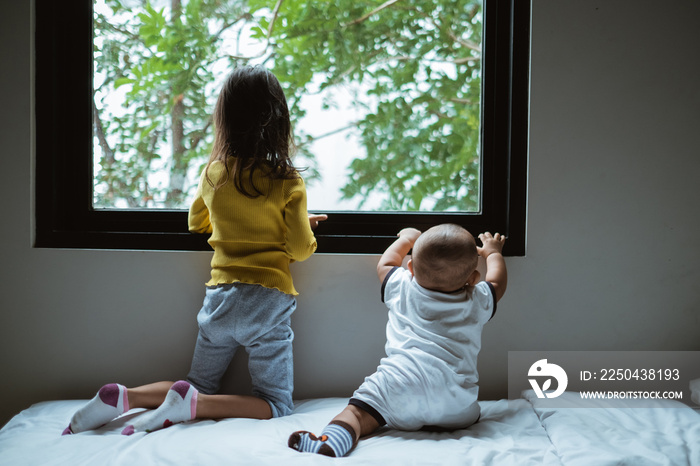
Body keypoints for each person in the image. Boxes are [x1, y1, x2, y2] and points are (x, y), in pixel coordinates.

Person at [63, 66, 327, 436]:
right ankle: (194, 406)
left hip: (219, 299)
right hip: (267, 303)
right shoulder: (288, 181)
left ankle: (127, 397)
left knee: (196, 381)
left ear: (226, 119)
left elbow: (196, 223)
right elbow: (301, 250)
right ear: (278, 119)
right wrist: (303, 226)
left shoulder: (213, 173)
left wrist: (229, 218)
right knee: (276, 403)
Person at [288, 224, 507, 457]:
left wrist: (407, 239)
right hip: (457, 407)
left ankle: (332, 440)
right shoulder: (476, 300)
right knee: (464, 404)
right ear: (474, 279)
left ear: (410, 267)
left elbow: (387, 264)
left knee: (356, 414)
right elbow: (496, 283)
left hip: (399, 388)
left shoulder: (402, 286)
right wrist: (493, 252)